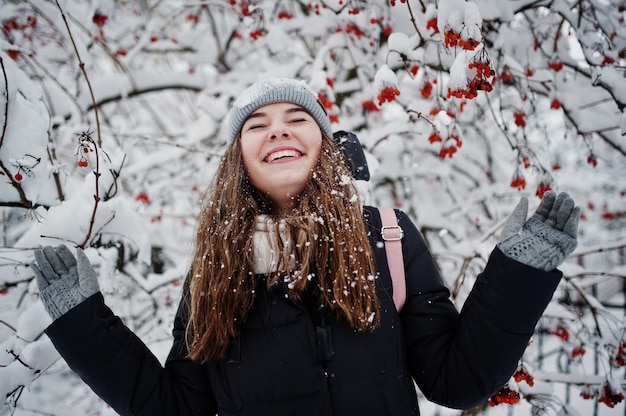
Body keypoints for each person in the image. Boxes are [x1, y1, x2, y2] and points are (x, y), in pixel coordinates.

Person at [32, 78, 580, 416]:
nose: (279, 131)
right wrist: (85, 326)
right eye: (257, 126)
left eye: (298, 119)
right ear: (237, 161)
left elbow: (456, 379)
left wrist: (518, 275)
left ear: (325, 147)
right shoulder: (216, 271)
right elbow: (179, 406)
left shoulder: (387, 236)